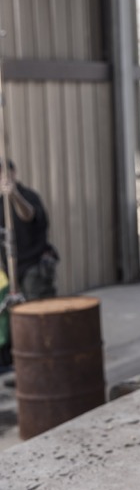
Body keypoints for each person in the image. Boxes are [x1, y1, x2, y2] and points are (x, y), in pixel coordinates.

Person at [0, 160, 59, 374]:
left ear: (13, 172)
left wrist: (13, 194)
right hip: (13, 272)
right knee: (19, 323)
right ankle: (28, 369)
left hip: (35, 269)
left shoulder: (27, 196)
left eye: (4, 173)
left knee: (39, 319)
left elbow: (29, 214)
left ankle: (48, 366)